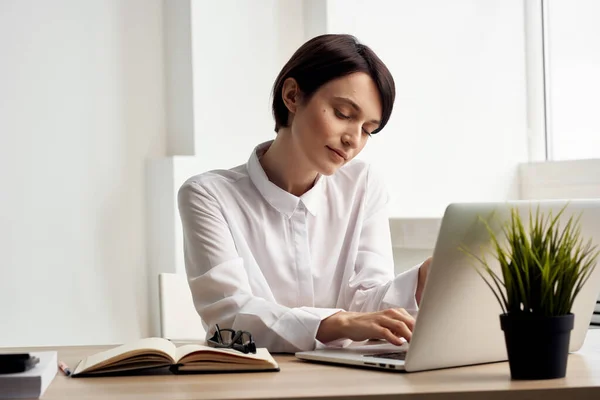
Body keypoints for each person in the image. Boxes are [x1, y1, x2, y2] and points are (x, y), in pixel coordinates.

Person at [178, 34, 432, 353]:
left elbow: (367, 303)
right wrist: (332, 324)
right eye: (342, 113)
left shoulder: (364, 184)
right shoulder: (208, 195)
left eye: (367, 129)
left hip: (346, 376)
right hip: (252, 380)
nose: (353, 139)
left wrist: (423, 280)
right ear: (293, 95)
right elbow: (227, 320)